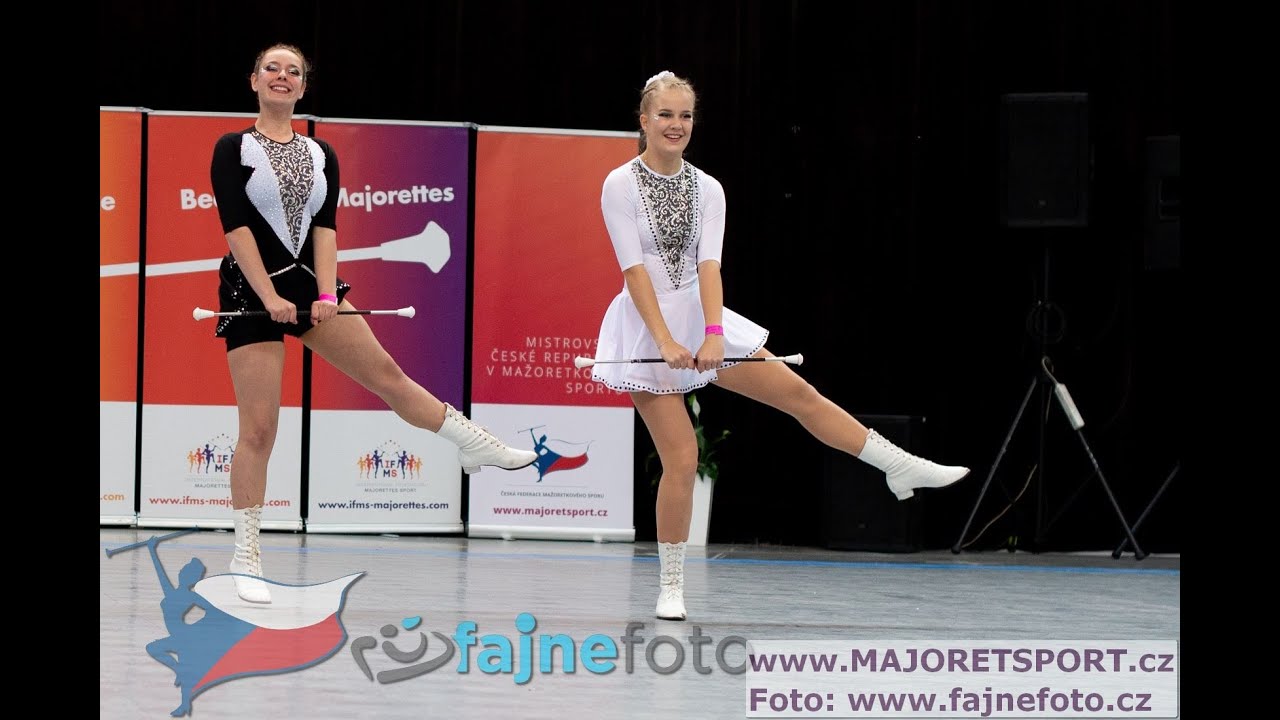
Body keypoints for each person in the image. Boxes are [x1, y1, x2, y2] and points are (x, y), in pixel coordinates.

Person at [589, 71, 971, 621]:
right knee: (682, 458)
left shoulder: (710, 188)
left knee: (798, 393)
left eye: (686, 116)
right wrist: (668, 341)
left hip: (702, 315)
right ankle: (671, 584)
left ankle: (896, 464)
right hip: (645, 327)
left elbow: (709, 267)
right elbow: (633, 272)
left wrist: (714, 334)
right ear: (644, 120)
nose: (677, 125)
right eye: (666, 115)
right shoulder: (619, 185)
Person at [210, 43, 536, 604]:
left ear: (304, 87)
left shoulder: (321, 153)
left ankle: (472, 444)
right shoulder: (232, 148)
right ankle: (246, 557)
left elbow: (327, 229)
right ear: (254, 80)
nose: (282, 77)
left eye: (293, 71)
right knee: (259, 428)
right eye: (272, 69)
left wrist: (324, 295)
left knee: (387, 374)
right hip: (250, 288)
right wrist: (269, 296)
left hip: (310, 289)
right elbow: (236, 229)